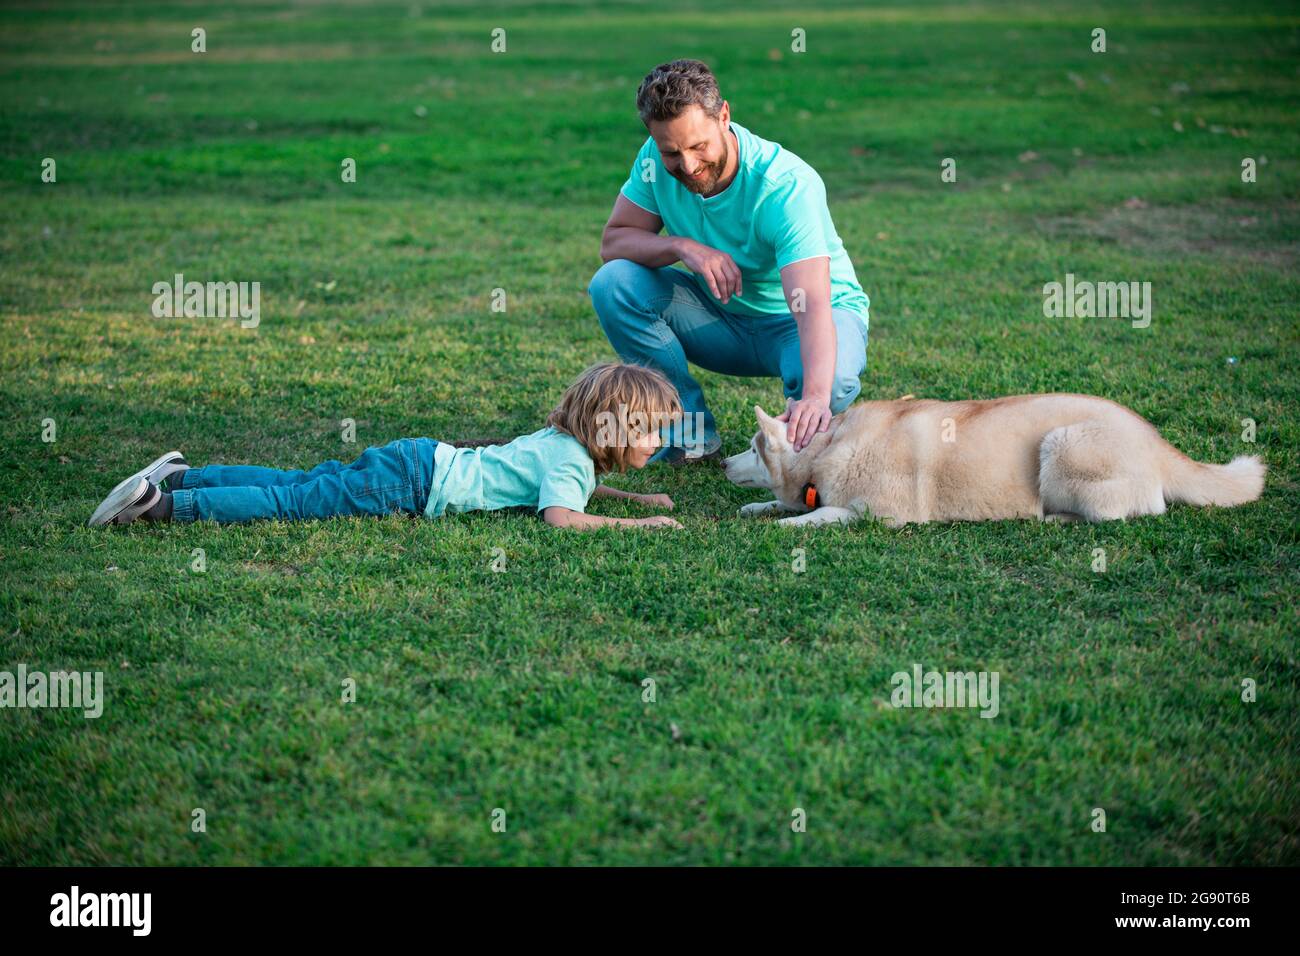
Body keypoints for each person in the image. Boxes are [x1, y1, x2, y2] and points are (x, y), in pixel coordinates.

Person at [591, 58, 871, 463]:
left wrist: (814, 395)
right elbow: (614, 242)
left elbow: (808, 302)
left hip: (799, 320)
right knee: (613, 283)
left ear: (724, 116)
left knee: (830, 385)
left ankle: (796, 437)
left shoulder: (786, 186)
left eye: (698, 146)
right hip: (721, 320)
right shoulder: (653, 161)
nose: (687, 165)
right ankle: (689, 433)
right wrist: (682, 246)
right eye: (672, 151)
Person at [87, 363, 685, 530]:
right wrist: (633, 523)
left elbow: (568, 488)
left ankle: (189, 477)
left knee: (303, 481)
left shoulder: (566, 447)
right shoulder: (569, 463)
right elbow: (562, 515)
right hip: (415, 485)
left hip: (419, 459)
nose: (658, 442)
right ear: (610, 427)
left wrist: (637, 495)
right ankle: (161, 506)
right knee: (297, 504)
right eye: (650, 430)